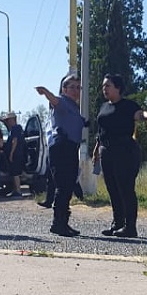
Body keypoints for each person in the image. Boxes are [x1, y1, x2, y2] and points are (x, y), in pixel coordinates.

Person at [94, 73, 147, 238]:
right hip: (106, 151)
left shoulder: (128, 105)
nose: (104, 89)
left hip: (125, 152)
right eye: (103, 86)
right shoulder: (103, 107)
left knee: (125, 189)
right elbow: (101, 132)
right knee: (112, 189)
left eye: (108, 86)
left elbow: (140, 114)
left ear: (118, 88)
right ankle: (118, 223)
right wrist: (96, 151)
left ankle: (130, 227)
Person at [35, 74, 87, 237]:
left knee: (68, 185)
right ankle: (58, 223)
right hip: (62, 147)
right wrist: (46, 92)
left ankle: (63, 222)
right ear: (64, 89)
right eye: (72, 87)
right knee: (63, 186)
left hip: (70, 148)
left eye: (78, 88)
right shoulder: (62, 102)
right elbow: (54, 100)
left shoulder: (73, 107)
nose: (76, 91)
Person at [1, 111, 26, 197]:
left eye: (8, 120)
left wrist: (11, 153)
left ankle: (18, 191)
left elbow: (14, 141)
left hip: (16, 154)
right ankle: (15, 190)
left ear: (13, 119)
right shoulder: (14, 129)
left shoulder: (16, 128)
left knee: (16, 173)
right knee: (14, 173)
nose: (7, 122)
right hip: (17, 153)